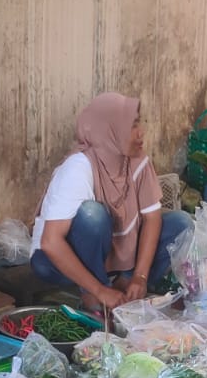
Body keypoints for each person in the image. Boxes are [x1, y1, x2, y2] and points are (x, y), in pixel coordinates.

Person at [29, 93, 192, 314]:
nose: (141, 132)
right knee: (91, 215)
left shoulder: (138, 162)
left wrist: (139, 276)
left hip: (117, 259)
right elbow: (50, 242)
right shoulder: (79, 168)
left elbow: (152, 219)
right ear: (110, 130)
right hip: (54, 262)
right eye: (133, 125)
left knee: (181, 224)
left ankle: (124, 285)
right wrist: (98, 289)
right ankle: (92, 293)